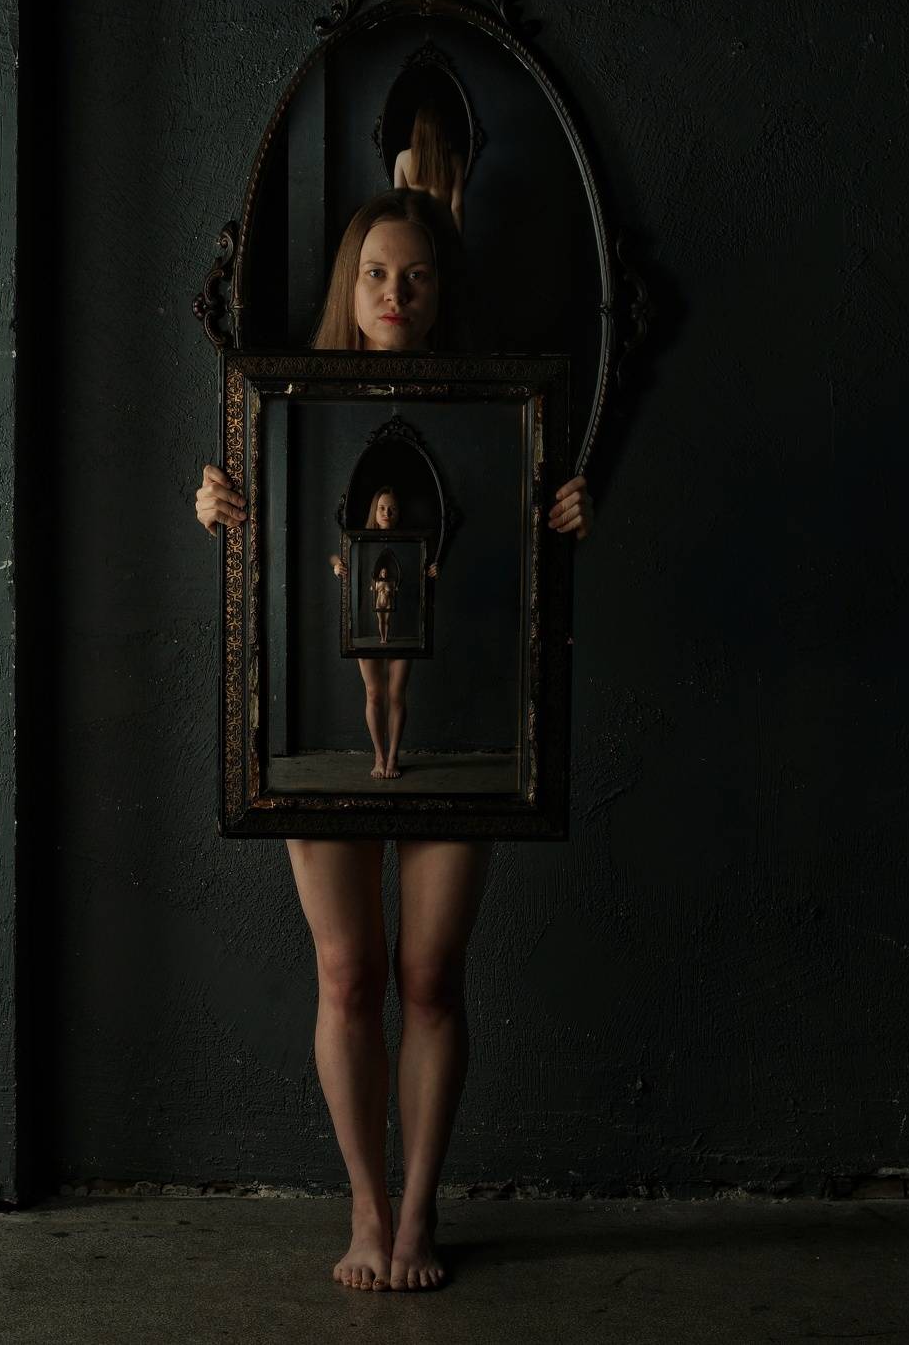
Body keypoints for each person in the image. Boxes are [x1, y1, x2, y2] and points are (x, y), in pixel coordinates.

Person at [194, 189, 591, 1292]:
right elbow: (270, 551)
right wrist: (221, 500)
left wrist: (565, 512)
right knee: (345, 971)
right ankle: (365, 1210)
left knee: (429, 977)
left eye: (415, 275)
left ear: (442, 289)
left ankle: (418, 1219)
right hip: (312, 720)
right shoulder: (287, 410)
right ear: (349, 282)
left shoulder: (503, 413)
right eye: (375, 272)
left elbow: (515, 563)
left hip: (469, 720)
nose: (394, 294)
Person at [328, 485, 439, 780]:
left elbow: (423, 574)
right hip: (364, 627)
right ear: (374, 511)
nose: (387, 512)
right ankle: (378, 755)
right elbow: (335, 556)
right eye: (382, 508)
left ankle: (392, 757)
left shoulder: (412, 545)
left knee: (396, 694)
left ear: (398, 513)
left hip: (406, 628)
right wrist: (338, 565)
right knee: (374, 693)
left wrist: (432, 571)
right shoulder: (359, 541)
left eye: (391, 508)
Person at [393, 102, 465, 233]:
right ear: (442, 129)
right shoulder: (456, 161)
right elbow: (456, 207)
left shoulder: (402, 158)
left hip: (416, 232)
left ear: (417, 129)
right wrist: (459, 239)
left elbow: (399, 204)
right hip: (443, 231)